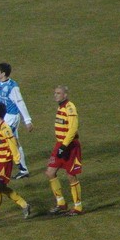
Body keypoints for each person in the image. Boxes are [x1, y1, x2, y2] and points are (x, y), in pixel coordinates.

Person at [0, 63, 33, 180]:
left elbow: (20, 103)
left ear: (3, 74)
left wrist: (27, 120)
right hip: (4, 116)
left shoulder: (13, 87)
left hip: (12, 117)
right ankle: (23, 170)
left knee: (0, 140)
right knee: (14, 141)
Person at [46, 86, 83, 215]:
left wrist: (64, 146)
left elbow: (73, 129)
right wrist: (60, 145)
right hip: (60, 144)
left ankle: (78, 207)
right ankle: (61, 203)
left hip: (70, 146)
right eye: (55, 93)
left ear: (65, 95)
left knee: (71, 175)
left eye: (58, 93)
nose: (55, 95)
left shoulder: (70, 108)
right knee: (50, 172)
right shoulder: (60, 107)